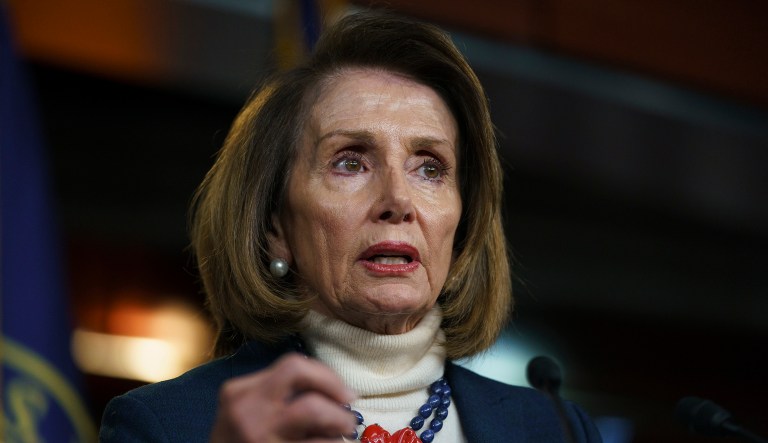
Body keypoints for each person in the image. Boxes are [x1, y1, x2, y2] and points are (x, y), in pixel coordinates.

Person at [99, 11, 602, 443]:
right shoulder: (164, 426)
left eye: (429, 167)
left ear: (462, 221)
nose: (397, 201)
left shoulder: (554, 428)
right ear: (275, 226)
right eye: (350, 162)